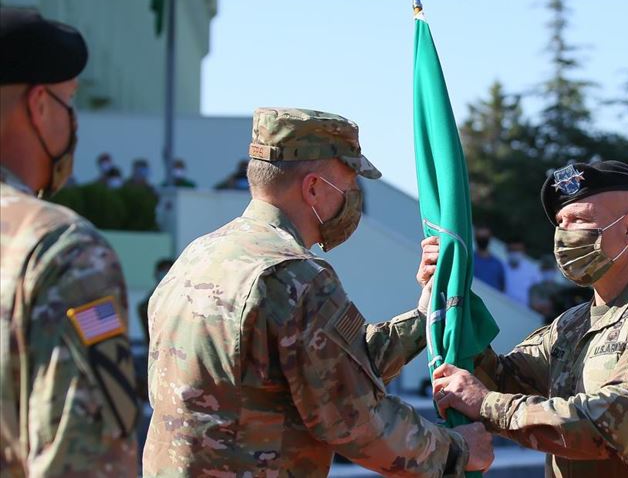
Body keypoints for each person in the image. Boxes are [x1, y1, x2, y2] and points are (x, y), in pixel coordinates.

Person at [143, 108, 492, 477]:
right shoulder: (294, 276)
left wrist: (424, 317)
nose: (354, 196)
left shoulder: (199, 255)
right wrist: (457, 449)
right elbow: (355, 419)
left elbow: (331, 365)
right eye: (351, 183)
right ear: (313, 188)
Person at [431, 160, 628, 476]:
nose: (564, 234)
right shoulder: (571, 324)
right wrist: (450, 295)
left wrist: (487, 405)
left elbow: (619, 426)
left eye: (579, 220)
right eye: (561, 222)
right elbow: (496, 381)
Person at [0, 7, 138, 477]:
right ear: (39, 105)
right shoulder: (63, 252)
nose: (73, 120)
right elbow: (85, 460)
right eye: (69, 100)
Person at [528, 255, 566, 325]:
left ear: (555, 270)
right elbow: (535, 305)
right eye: (546, 269)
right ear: (541, 270)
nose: (548, 271)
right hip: (539, 322)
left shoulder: (562, 288)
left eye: (550, 269)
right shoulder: (535, 288)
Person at [503, 237, 541, 306]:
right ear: (507, 250)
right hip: (503, 306)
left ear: (523, 251)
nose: (515, 253)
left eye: (518, 250)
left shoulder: (532, 271)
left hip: (523, 310)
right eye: (513, 250)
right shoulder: (501, 268)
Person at [473, 225, 506, 291]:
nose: (482, 240)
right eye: (480, 238)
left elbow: (502, 287)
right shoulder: (469, 259)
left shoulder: (497, 264)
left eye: (484, 238)